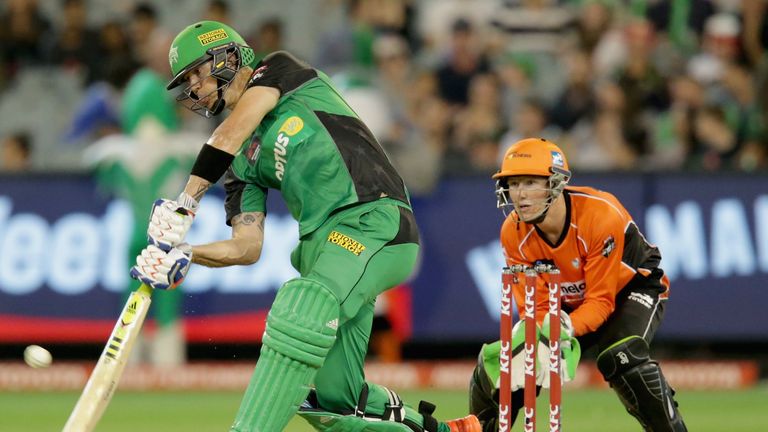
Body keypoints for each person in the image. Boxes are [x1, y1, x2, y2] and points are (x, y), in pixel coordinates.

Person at [128, 20, 480, 432]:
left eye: (195, 74)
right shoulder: (240, 167)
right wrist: (188, 254)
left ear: (225, 56)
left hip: (373, 220)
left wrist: (184, 204)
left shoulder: (278, 71)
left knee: (300, 308)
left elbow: (230, 132)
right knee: (336, 404)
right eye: (186, 81)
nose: (193, 88)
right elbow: (247, 246)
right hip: (326, 252)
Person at [468, 138, 688, 431]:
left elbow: (601, 302)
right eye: (514, 183)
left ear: (556, 183)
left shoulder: (600, 215)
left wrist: (562, 327)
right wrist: (539, 333)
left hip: (632, 289)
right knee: (506, 365)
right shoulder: (513, 232)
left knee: (620, 357)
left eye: (531, 182)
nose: (520, 195)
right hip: (568, 304)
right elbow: (538, 304)